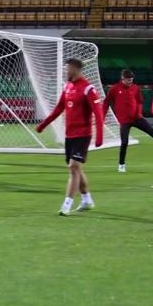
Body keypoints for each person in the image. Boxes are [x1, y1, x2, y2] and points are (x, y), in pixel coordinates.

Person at [36, 58, 105, 216]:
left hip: (83, 135)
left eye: (68, 68)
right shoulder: (67, 86)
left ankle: (66, 205)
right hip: (69, 135)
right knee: (76, 169)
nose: (66, 71)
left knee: (73, 167)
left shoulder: (88, 89)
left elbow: (98, 113)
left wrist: (99, 136)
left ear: (75, 69)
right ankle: (87, 200)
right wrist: (43, 125)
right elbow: (59, 108)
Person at [104, 69, 153, 173]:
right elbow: (106, 103)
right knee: (124, 142)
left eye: (131, 80)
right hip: (124, 121)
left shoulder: (135, 88)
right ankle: (121, 164)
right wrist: (102, 117)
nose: (130, 82)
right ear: (122, 78)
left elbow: (140, 101)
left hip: (137, 118)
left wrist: (139, 113)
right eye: (128, 80)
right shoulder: (114, 89)